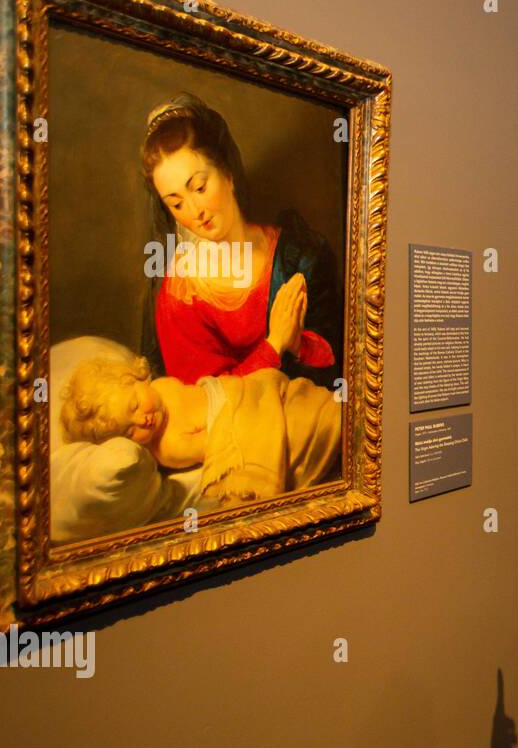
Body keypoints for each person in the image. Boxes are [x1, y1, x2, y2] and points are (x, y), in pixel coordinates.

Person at [138, 93, 343, 389]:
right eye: (177, 204)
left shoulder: (301, 256)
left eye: (199, 186)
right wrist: (274, 345)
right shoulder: (180, 296)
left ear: (228, 174)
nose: (196, 212)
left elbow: (340, 370)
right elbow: (203, 403)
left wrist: (298, 344)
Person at [60, 354, 341, 506]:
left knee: (300, 397)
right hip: (242, 416)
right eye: (130, 431)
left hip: (250, 391)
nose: (142, 420)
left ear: (134, 378)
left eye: (135, 405)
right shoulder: (167, 447)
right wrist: (247, 413)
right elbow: (223, 442)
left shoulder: (161, 387)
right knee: (307, 424)